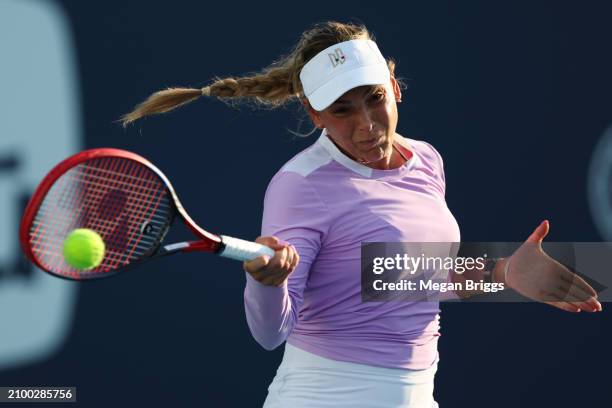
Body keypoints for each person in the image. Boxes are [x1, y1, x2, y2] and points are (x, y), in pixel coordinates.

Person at [121, 21, 602, 408]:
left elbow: (405, 275)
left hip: (417, 392)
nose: (367, 126)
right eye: (342, 110)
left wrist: (503, 273)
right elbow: (271, 334)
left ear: (394, 85)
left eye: (374, 98)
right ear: (314, 114)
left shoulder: (426, 160)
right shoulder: (300, 186)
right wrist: (266, 283)